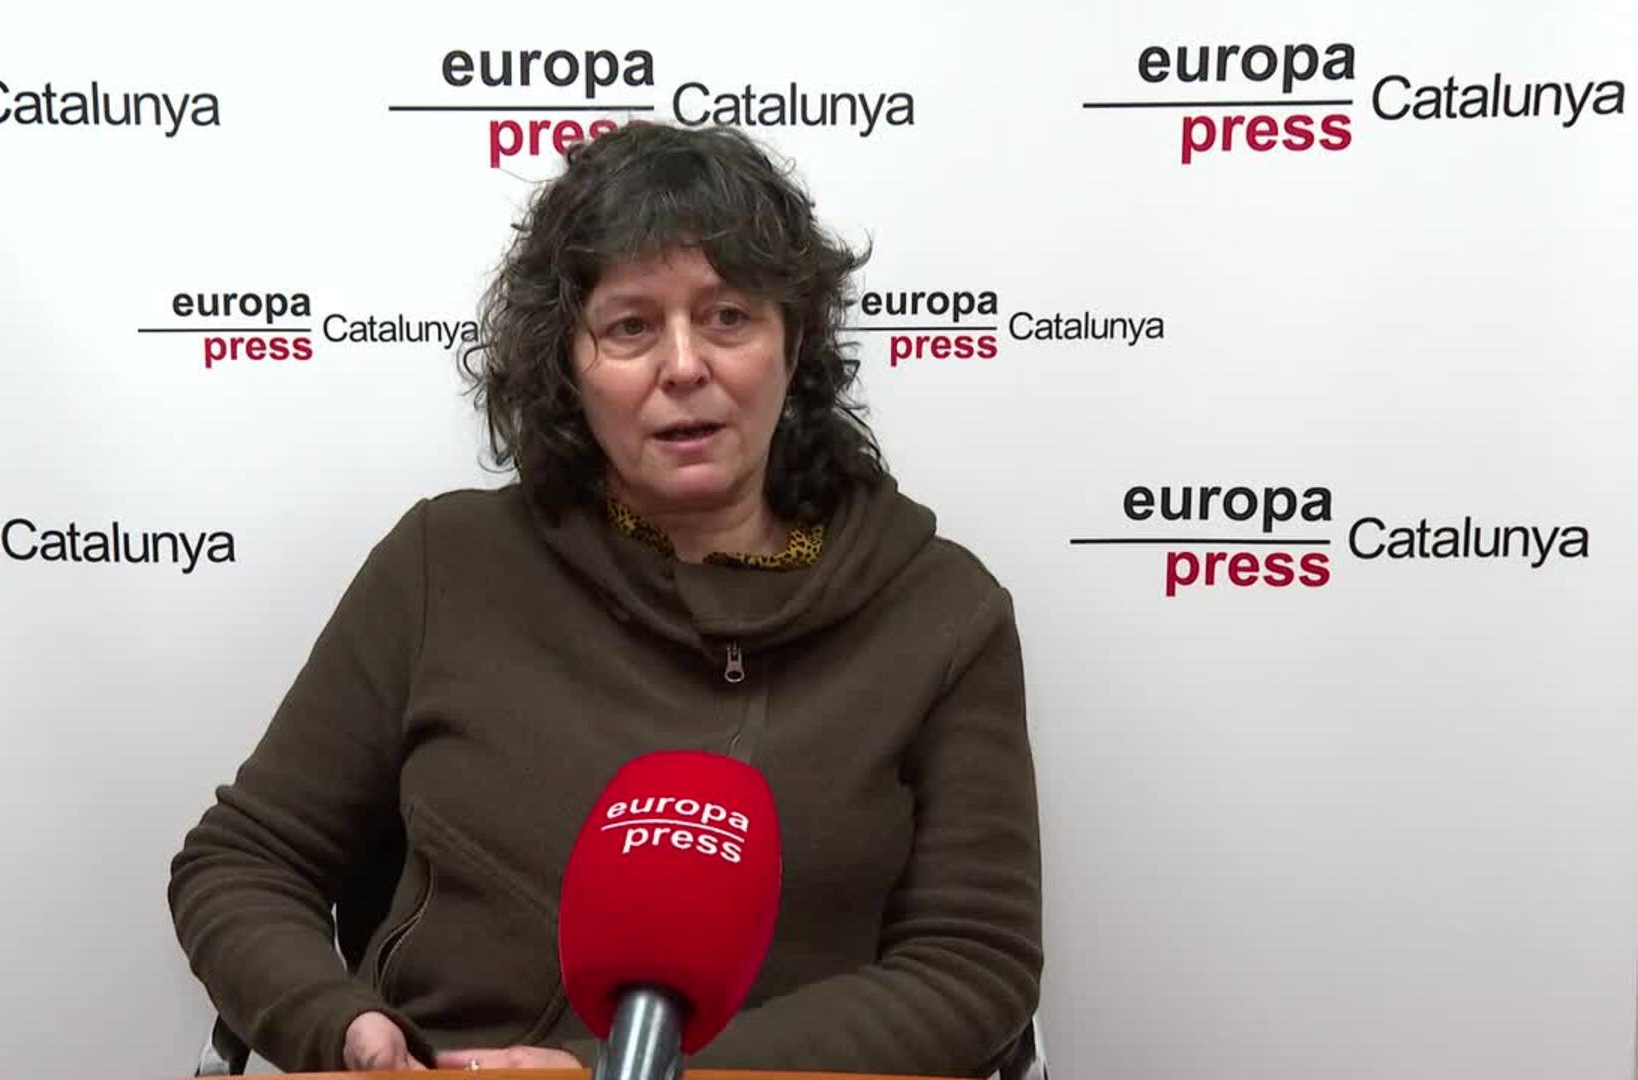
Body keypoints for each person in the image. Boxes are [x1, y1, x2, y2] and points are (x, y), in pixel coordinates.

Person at [168, 122, 1042, 1077]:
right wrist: (343, 1030)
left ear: (793, 346)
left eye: (728, 317)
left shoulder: (939, 610)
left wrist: (626, 1075)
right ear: (567, 368)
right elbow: (245, 861)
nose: (684, 365)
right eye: (631, 326)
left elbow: (972, 964)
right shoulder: (444, 562)